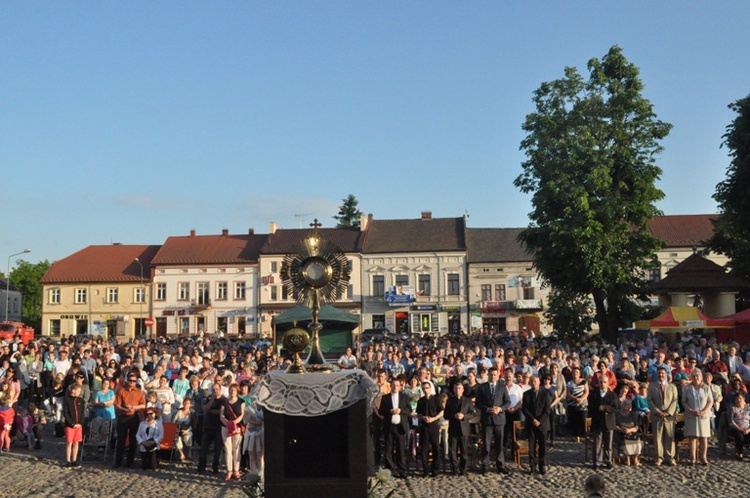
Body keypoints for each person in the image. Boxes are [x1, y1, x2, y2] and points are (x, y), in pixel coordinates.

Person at [475, 366, 511, 474]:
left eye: (494, 374)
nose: (492, 376)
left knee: (499, 444)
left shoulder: (502, 387)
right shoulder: (482, 387)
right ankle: (485, 464)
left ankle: (500, 464)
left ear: (498, 375)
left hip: (499, 419)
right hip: (487, 419)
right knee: (486, 443)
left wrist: (500, 409)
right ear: (488, 375)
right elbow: (478, 403)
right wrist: (487, 409)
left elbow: (507, 402)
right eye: (490, 374)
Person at [379, 377, 411, 478]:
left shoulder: (405, 397)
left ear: (400, 387)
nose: (395, 387)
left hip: (400, 427)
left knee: (401, 449)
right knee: (388, 449)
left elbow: (409, 410)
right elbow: (381, 411)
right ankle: (390, 471)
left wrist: (400, 411)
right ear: (390, 386)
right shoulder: (385, 397)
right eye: (393, 385)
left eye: (397, 385)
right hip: (389, 426)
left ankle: (402, 470)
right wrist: (390, 411)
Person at [113, 372, 147, 468]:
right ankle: (118, 461)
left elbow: (143, 405)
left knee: (133, 440)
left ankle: (130, 462)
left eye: (134, 381)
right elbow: (117, 405)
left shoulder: (139, 392)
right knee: (121, 440)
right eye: (130, 380)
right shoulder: (121, 391)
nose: (132, 382)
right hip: (123, 416)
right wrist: (124, 409)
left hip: (134, 416)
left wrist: (134, 407)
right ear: (127, 380)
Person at [647, 366, 678, 466]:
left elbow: (674, 400)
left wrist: (668, 412)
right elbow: (649, 400)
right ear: (657, 374)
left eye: (662, 373)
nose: (661, 375)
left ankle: (670, 457)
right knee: (657, 437)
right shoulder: (652, 386)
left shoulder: (672, 387)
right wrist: (657, 411)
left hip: (669, 416)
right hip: (657, 415)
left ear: (666, 375)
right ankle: (659, 457)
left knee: (670, 436)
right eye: (659, 373)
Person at [682, 369, 713, 465]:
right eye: (694, 376)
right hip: (691, 415)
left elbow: (710, 401)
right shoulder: (687, 388)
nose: (696, 378)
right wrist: (690, 410)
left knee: (703, 437)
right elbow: (684, 401)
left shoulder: (706, 388)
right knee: (692, 437)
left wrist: (704, 411)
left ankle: (703, 457)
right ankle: (693, 458)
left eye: (697, 376)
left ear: (701, 377)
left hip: (703, 415)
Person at [521, 375, 551, 475]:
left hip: (542, 424)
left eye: (535, 381)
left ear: (539, 382)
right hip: (531, 423)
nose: (533, 383)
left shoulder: (545, 394)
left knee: (542, 446)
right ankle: (532, 466)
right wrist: (533, 419)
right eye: (531, 382)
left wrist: (539, 421)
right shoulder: (526, 394)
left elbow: (547, 410)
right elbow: (524, 409)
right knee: (531, 446)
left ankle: (542, 465)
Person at [444, 381, 475, 475]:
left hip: (464, 429)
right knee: (453, 450)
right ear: (453, 390)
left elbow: (473, 413)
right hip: (453, 428)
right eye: (456, 388)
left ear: (463, 390)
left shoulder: (468, 401)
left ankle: (463, 468)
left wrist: (464, 416)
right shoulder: (450, 401)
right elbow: (446, 415)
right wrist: (454, 416)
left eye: (459, 388)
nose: (457, 390)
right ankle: (455, 468)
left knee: (464, 450)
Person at [588, 374, 618, 470]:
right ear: (598, 383)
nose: (602, 384)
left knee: (608, 443)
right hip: (598, 421)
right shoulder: (594, 394)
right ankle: (597, 461)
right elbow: (590, 406)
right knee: (597, 443)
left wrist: (605, 408)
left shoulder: (612, 394)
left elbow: (615, 407)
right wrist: (598, 408)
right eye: (600, 382)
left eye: (604, 382)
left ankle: (608, 460)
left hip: (609, 422)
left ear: (608, 383)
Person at [416, 380, 444, 477]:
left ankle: (435, 469)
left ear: (430, 388)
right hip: (424, 426)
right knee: (424, 448)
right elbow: (418, 414)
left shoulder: (436, 399)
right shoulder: (421, 400)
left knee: (436, 447)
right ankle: (425, 470)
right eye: (423, 389)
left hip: (434, 426)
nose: (425, 390)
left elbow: (441, 411)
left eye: (427, 388)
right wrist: (422, 417)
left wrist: (434, 418)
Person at [198, 382, 225, 475]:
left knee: (218, 449)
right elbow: (205, 408)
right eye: (213, 390)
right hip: (208, 426)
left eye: (217, 389)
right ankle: (201, 467)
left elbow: (220, 412)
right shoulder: (209, 398)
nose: (215, 391)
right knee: (204, 448)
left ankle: (215, 466)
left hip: (219, 427)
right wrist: (212, 399)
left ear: (220, 389)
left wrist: (210, 411)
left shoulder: (223, 399)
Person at [220, 382, 245, 481]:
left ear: (237, 391)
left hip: (237, 428)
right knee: (228, 449)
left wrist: (234, 423)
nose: (232, 391)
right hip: (225, 427)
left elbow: (242, 415)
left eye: (234, 390)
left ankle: (236, 469)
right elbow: (222, 415)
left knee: (236, 449)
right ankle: (229, 470)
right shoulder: (224, 402)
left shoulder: (241, 401)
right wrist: (228, 423)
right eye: (231, 389)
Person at [63, 383, 85, 468]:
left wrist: (80, 423)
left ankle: (74, 459)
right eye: (75, 390)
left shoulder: (81, 401)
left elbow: (82, 413)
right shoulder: (67, 400)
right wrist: (71, 423)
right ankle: (68, 460)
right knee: (69, 442)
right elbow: (66, 413)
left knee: (76, 443)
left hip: (78, 426)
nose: (78, 392)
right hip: (70, 425)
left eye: (78, 391)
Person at [614, 398, 642, 466]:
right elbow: (614, 425)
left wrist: (630, 430)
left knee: (637, 441)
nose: (627, 405)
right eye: (625, 404)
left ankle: (635, 458)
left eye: (628, 404)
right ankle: (627, 458)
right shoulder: (617, 414)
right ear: (622, 405)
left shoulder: (633, 414)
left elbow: (637, 426)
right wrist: (622, 430)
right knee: (625, 440)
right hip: (620, 432)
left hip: (632, 431)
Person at [567, 367, 589, 441]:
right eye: (574, 372)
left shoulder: (584, 381)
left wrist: (581, 399)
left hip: (583, 404)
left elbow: (586, 392)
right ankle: (576, 436)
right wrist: (576, 399)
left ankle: (585, 435)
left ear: (579, 374)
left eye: (577, 372)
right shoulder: (569, 383)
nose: (575, 373)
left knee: (583, 420)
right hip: (573, 403)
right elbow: (568, 394)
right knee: (575, 420)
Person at [243, 400, 264, 475]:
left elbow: (263, 421)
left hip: (260, 433)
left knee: (260, 457)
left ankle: (260, 476)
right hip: (250, 433)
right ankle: (253, 475)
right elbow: (245, 421)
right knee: (252, 456)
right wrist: (250, 411)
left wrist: (254, 422)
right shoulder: (248, 408)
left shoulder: (263, 408)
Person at [172, 397, 196, 462]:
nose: (186, 404)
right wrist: (177, 429)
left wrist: (187, 430)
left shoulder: (192, 413)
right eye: (185, 403)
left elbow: (193, 424)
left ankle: (189, 452)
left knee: (188, 436)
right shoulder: (178, 412)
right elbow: (173, 422)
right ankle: (181, 454)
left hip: (187, 429)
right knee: (177, 438)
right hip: (178, 429)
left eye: (188, 403)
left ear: (190, 404)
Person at [729, 393, 750, 460]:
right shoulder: (733, 409)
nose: (738, 400)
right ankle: (740, 453)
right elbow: (731, 422)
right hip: (736, 428)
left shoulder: (748, 409)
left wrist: (748, 429)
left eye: (740, 398)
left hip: (747, 427)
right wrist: (740, 429)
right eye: (737, 399)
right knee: (739, 436)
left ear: (744, 399)